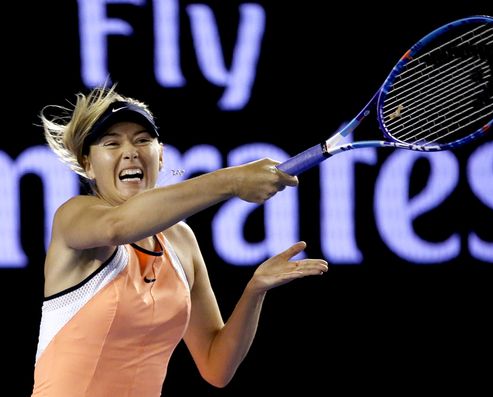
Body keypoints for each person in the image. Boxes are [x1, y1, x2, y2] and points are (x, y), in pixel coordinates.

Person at [31, 85, 328, 396]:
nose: (130, 151)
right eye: (111, 143)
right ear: (88, 164)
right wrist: (231, 180)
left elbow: (217, 366)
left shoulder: (181, 241)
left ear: (160, 156)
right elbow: (116, 227)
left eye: (142, 140)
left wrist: (254, 290)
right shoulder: (74, 217)